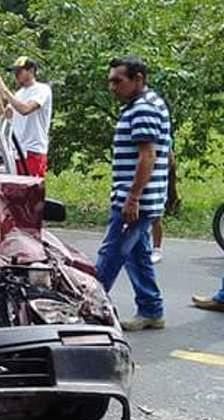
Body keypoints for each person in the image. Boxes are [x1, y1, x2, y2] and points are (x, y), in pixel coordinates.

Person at [96, 55, 170, 331]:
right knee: (138, 256)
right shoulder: (143, 104)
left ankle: (87, 309)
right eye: (110, 81)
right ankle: (151, 309)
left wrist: (133, 198)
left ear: (138, 79)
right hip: (142, 199)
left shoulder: (144, 108)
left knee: (111, 253)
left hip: (136, 202)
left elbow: (147, 155)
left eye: (119, 81)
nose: (113, 87)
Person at [0, 56, 53, 177]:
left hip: (33, 151)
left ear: (31, 71)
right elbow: (3, 117)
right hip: (16, 152)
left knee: (31, 191)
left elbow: (25, 109)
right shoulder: (19, 94)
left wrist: (4, 89)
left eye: (19, 71)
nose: (16, 75)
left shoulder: (42, 89)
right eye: (15, 72)